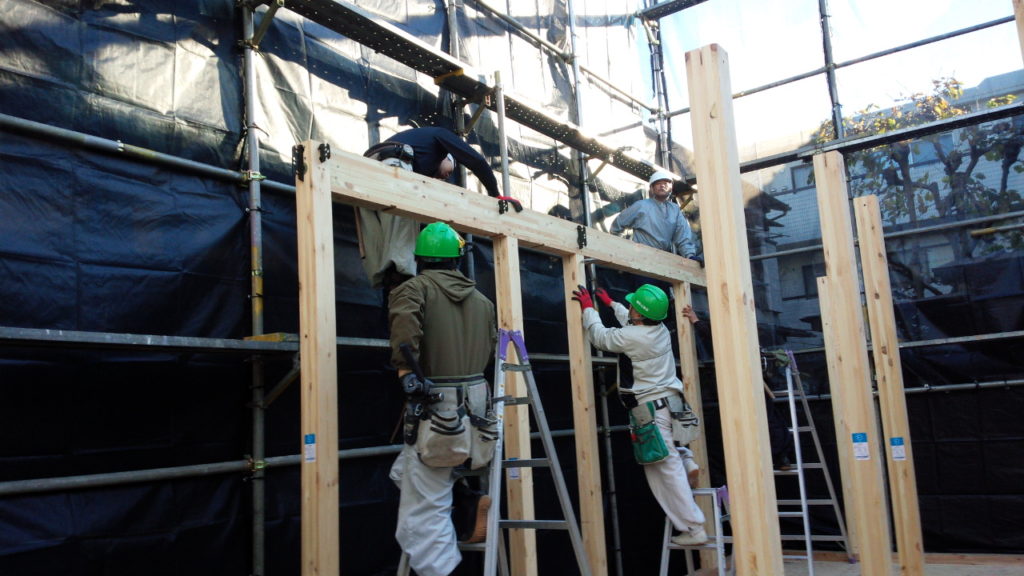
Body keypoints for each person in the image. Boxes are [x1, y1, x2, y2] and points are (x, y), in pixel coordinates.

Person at [388, 222, 499, 576]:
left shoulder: (413, 289)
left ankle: (442, 570)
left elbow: (405, 333)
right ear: (456, 259)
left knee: (420, 516)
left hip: (439, 411)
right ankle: (466, 500)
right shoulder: (483, 302)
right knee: (404, 473)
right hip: (477, 411)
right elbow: (490, 349)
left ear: (419, 258)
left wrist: (406, 372)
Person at [572, 283, 708, 546]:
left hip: (651, 412)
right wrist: (612, 304)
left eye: (633, 305)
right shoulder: (659, 330)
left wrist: (589, 309)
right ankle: (687, 461)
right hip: (672, 403)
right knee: (669, 454)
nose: (630, 307)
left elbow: (601, 337)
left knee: (662, 470)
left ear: (640, 313)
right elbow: (630, 322)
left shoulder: (633, 337)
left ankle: (694, 529)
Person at [359, 126, 503, 295]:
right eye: (451, 168)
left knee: (375, 237)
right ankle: (401, 278)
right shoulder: (440, 135)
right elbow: (476, 161)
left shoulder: (420, 156)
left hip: (365, 169)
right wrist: (496, 195)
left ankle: (386, 279)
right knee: (404, 222)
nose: (447, 176)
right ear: (446, 156)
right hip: (394, 162)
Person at [609, 170, 699, 263]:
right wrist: (622, 249)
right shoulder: (641, 206)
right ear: (652, 188)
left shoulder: (675, 210)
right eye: (658, 183)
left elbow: (683, 236)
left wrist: (690, 256)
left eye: (665, 183)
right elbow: (618, 225)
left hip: (664, 261)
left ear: (671, 188)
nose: (662, 185)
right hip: (640, 258)